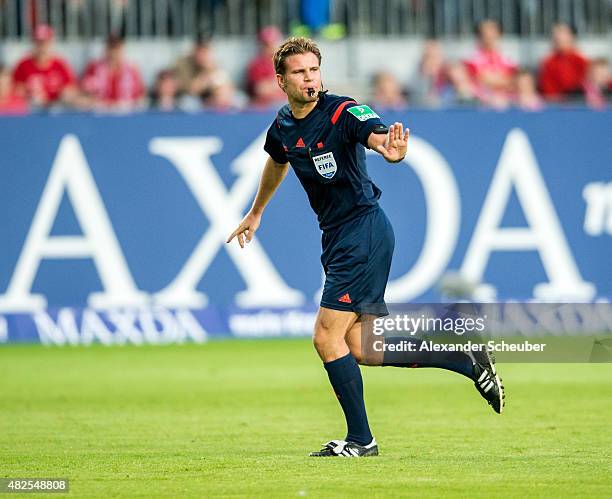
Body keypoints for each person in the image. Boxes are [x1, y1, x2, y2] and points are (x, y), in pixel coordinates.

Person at [227, 37, 505, 458]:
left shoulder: (341, 110)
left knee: (325, 336)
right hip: (339, 238)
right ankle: (462, 358)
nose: (310, 79)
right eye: (300, 72)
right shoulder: (283, 124)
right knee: (360, 348)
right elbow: (277, 158)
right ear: (280, 80)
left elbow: (374, 133)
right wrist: (256, 211)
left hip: (363, 232)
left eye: (314, 70)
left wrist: (388, 149)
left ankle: (362, 440)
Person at [12, 24, 78, 108]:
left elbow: (71, 88)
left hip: (57, 109)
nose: (42, 47)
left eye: (45, 43)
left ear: (51, 43)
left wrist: (63, 95)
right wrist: (30, 93)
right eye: (39, 43)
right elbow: (16, 90)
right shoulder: (23, 65)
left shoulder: (60, 64)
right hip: (33, 110)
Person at [81, 34, 145, 111]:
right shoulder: (93, 68)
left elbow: (140, 96)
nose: (113, 53)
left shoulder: (132, 70)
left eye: (117, 49)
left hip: (126, 114)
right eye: (111, 48)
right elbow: (84, 93)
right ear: (106, 50)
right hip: (100, 113)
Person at [464, 19, 517, 107]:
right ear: (479, 36)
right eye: (485, 33)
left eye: (492, 33)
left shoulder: (509, 57)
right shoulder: (471, 58)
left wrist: (488, 78)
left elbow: (514, 81)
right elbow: (477, 80)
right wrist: (501, 79)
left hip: (508, 102)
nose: (489, 36)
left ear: (499, 34)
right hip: (481, 104)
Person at [538, 23, 589, 102]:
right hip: (556, 105)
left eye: (562, 37)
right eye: (556, 38)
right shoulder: (548, 62)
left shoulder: (581, 61)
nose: (559, 40)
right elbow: (547, 88)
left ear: (571, 37)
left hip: (577, 103)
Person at [245, 26, 287, 108]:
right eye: (266, 44)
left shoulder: (287, 62)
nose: (270, 47)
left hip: (285, 104)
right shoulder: (257, 64)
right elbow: (261, 90)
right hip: (264, 107)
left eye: (273, 43)